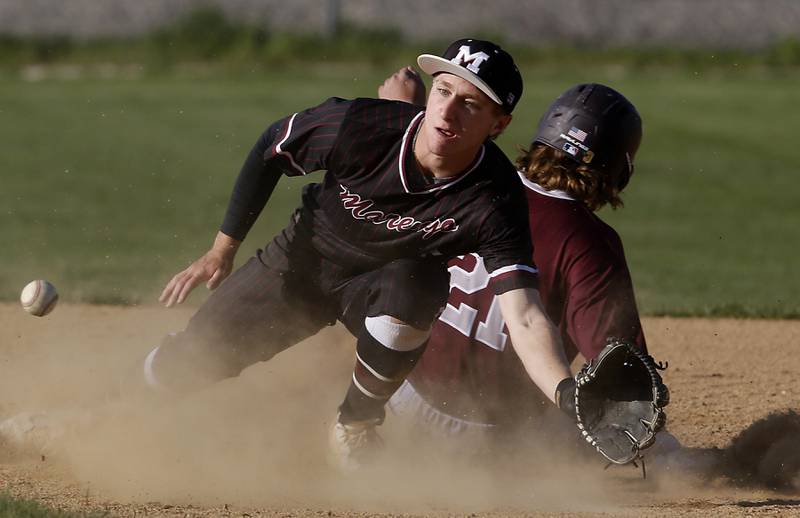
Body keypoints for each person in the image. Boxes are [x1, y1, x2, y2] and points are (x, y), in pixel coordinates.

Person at [143, 38, 577, 472]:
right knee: (194, 360)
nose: (447, 111)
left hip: (382, 286)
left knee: (418, 283)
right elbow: (271, 148)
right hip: (303, 261)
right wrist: (222, 249)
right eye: (443, 90)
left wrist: (565, 393)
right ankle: (118, 408)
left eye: (470, 104)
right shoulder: (361, 125)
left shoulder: (495, 198)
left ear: (499, 124)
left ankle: (355, 423)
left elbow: (523, 315)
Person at [379, 69, 652, 443]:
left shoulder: (472, 181)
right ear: (619, 172)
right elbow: (621, 372)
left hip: (395, 401)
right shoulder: (591, 242)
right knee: (637, 438)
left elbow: (407, 169)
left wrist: (399, 109)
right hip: (495, 443)